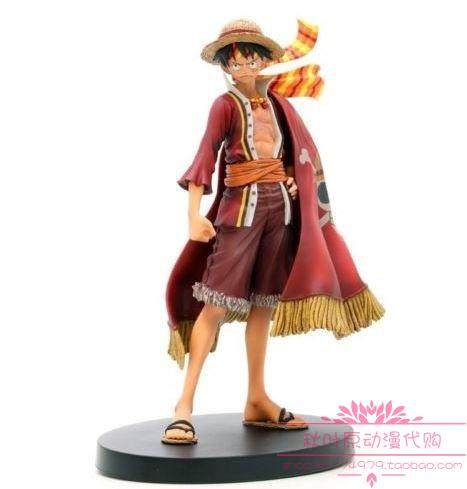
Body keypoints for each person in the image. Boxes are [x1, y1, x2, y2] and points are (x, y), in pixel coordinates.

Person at [162, 19, 385, 445]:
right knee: (215, 305)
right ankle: (183, 407)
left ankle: (257, 398)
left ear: (264, 61)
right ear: (226, 66)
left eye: (251, 59)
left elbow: (294, 157)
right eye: (236, 61)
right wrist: (193, 214)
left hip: (278, 212)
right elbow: (204, 159)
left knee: (263, 304)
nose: (244, 67)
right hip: (239, 213)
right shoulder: (224, 106)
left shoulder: (280, 107)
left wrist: (292, 182)